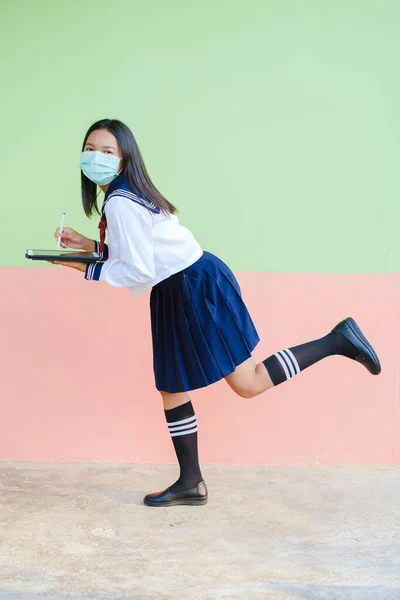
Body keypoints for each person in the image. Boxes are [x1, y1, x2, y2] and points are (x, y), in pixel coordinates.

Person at [52, 118, 381, 508]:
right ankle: (190, 482)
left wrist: (82, 266)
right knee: (172, 385)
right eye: (90, 148)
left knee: (248, 383)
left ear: (123, 161)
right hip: (177, 286)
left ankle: (337, 340)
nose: (95, 157)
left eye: (107, 151)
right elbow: (142, 251)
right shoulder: (125, 195)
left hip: (193, 286)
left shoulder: (122, 200)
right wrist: (88, 244)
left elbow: (138, 270)